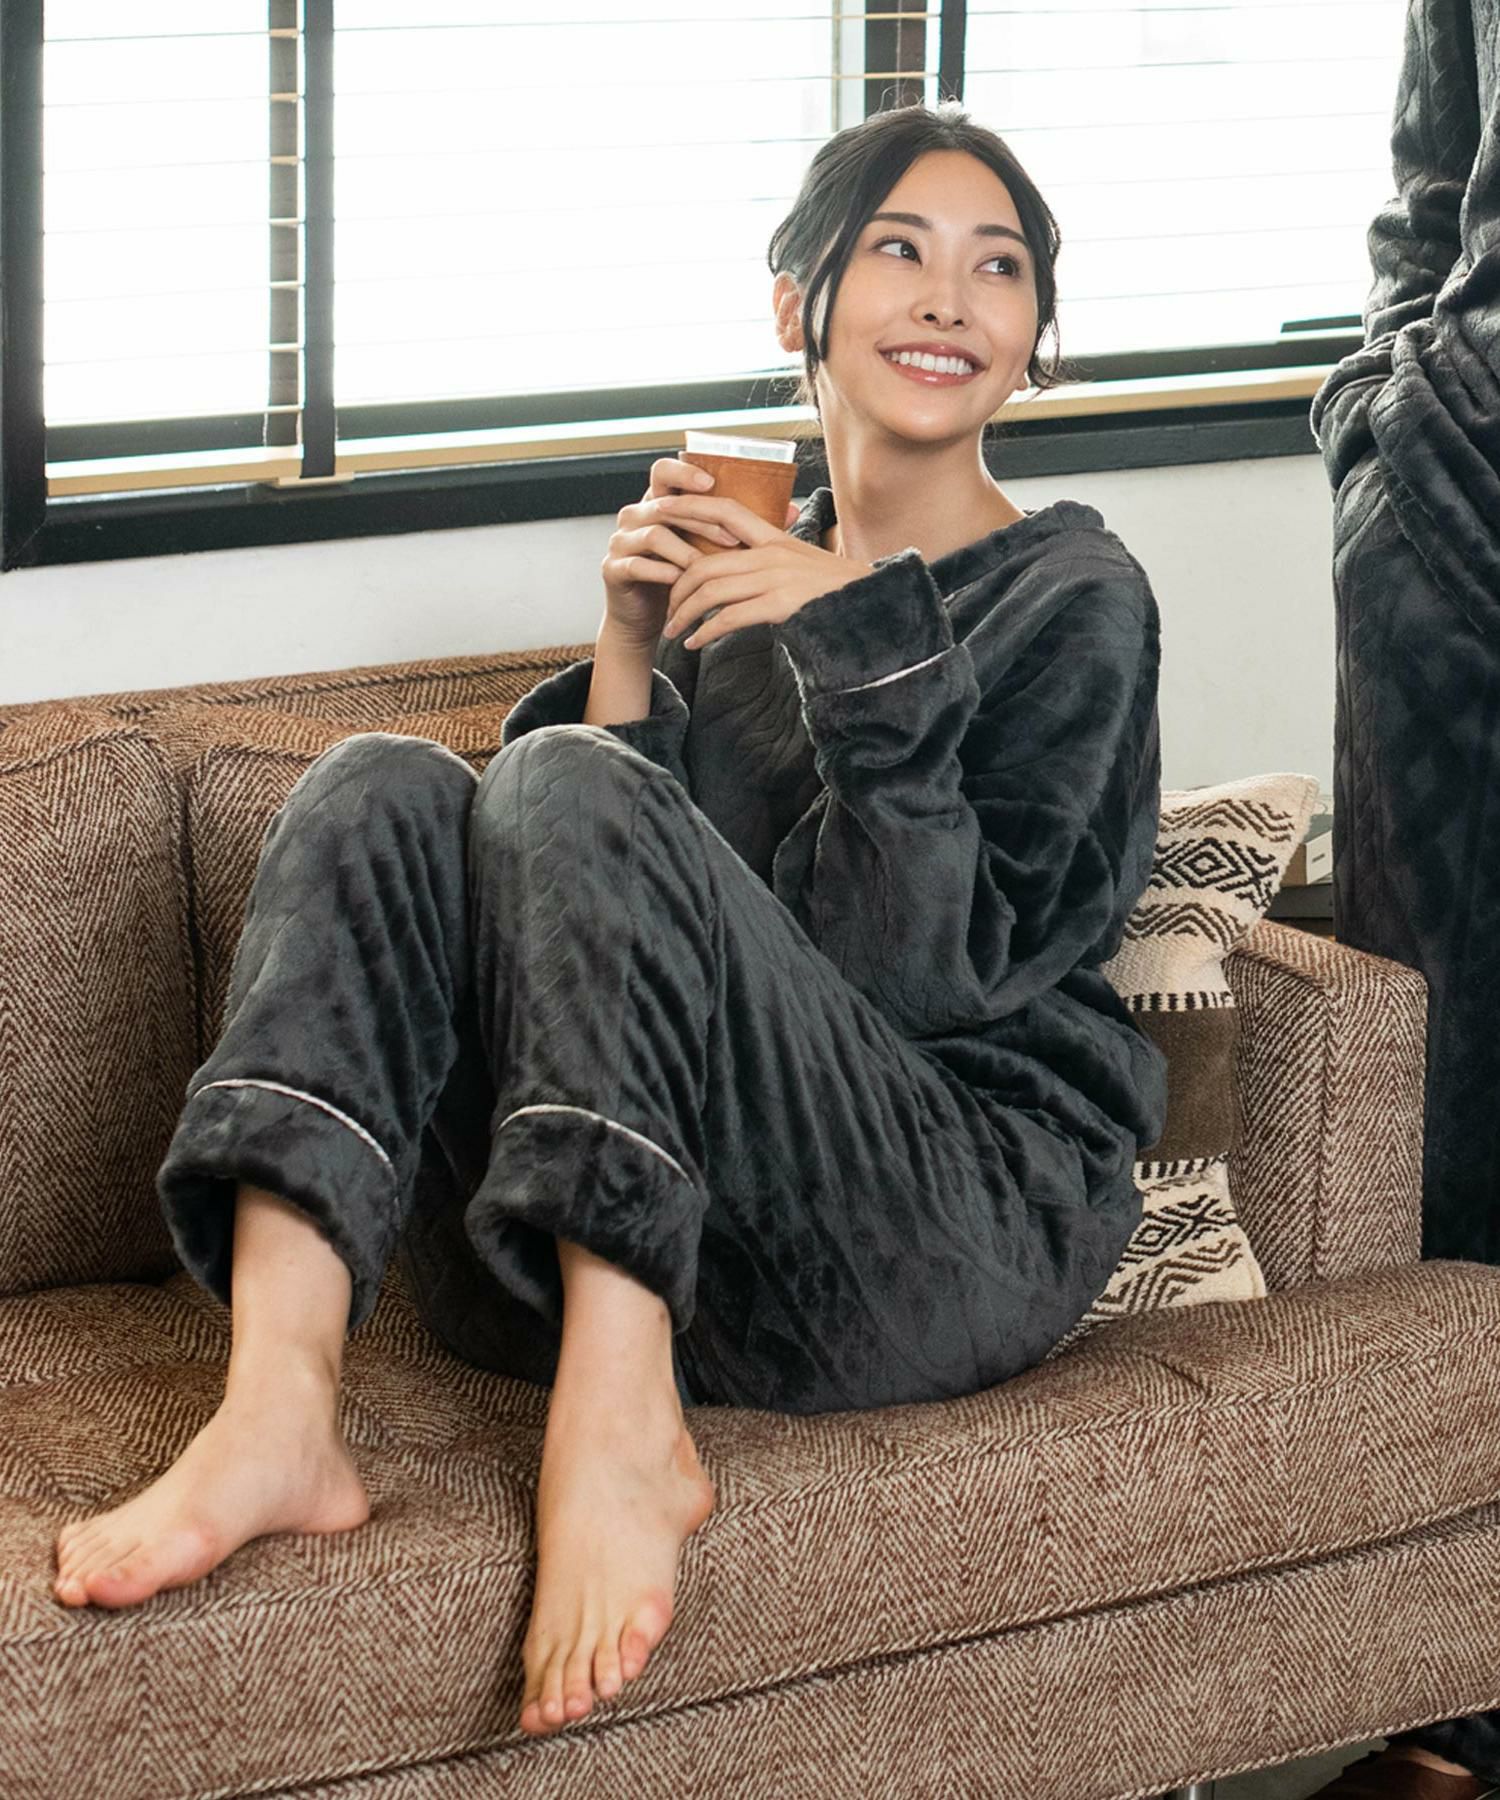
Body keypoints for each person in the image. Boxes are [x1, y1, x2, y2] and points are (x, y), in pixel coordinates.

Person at [48, 103, 1170, 1743]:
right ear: (795, 305)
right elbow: (616, 934)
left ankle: (626, 1418)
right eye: (899, 251)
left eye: (999, 268)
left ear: (1035, 336)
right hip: (688, 1234)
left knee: (559, 776)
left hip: (943, 1228)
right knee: (377, 781)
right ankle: (281, 1407)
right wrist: (634, 646)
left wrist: (863, 637)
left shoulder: (1079, 595)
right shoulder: (745, 576)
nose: (950, 298)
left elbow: (922, 979)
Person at [1307, 0, 1500, 1791]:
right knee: (1445, 1142)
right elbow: (1429, 189)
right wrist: (1385, 426)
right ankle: (1452, 1709)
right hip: (1456, 544)